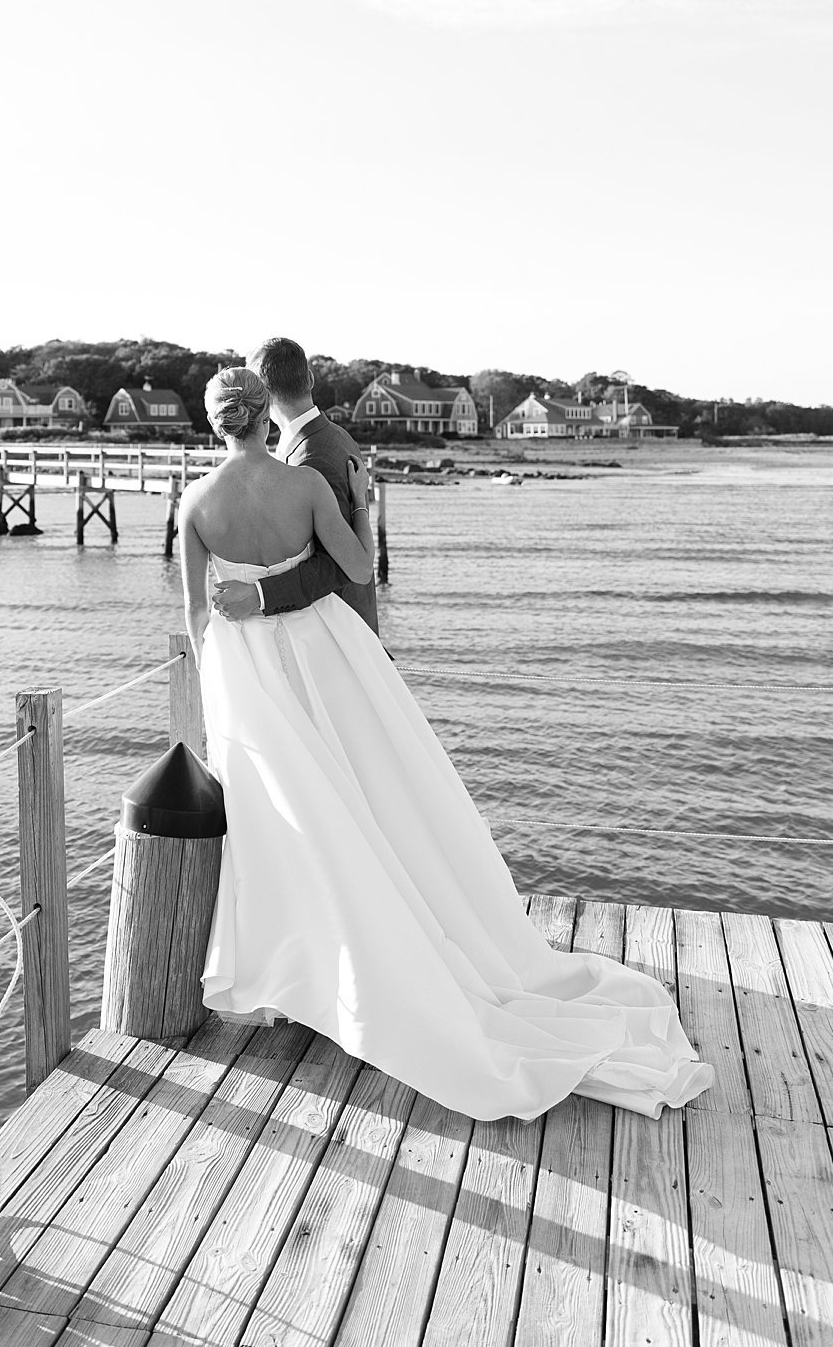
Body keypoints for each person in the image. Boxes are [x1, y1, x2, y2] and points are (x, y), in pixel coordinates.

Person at [179, 366, 712, 1123]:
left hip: (254, 679)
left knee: (295, 825)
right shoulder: (304, 487)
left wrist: (223, 688)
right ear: (266, 413)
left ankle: (308, 973)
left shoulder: (196, 502)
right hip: (328, 657)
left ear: (212, 423)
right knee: (374, 798)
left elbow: (198, 619)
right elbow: (359, 568)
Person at [211, 336, 377, 634]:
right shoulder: (335, 435)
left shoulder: (310, 458)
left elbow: (339, 565)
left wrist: (258, 595)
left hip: (334, 636)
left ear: (262, 393)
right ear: (310, 378)